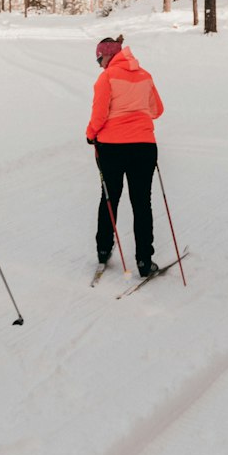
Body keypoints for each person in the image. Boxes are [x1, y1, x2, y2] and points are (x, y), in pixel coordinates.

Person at [86, 35, 164, 277]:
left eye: (99, 58)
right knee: (142, 202)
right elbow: (157, 110)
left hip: (112, 147)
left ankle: (103, 249)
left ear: (108, 55)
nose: (99, 63)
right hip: (143, 146)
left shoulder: (107, 77)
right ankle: (144, 260)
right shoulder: (145, 75)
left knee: (110, 198)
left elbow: (99, 115)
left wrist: (90, 135)